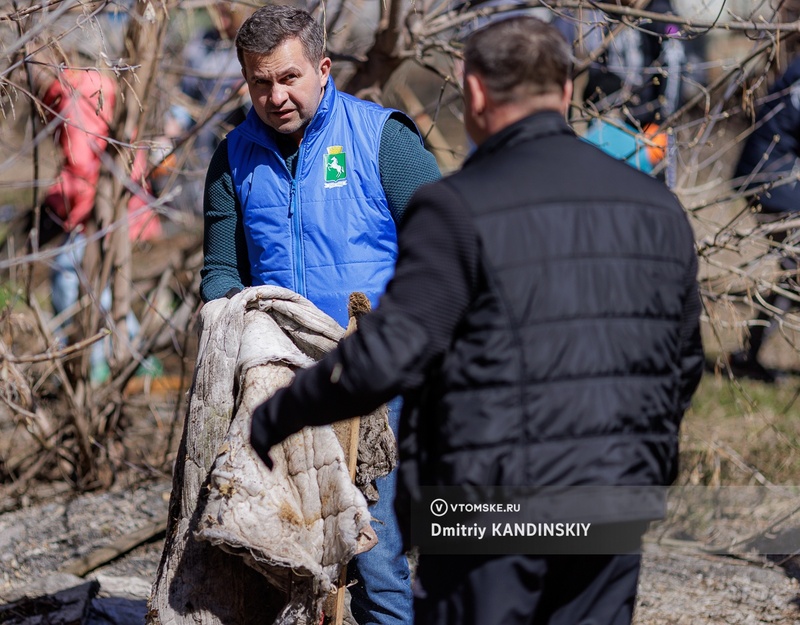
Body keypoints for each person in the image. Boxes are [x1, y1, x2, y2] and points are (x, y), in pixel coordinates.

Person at [248, 16, 703, 625]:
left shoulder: (458, 208)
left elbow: (393, 351)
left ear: (476, 92)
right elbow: (683, 359)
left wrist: (280, 412)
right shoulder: (656, 206)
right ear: (566, 92)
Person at [199, 5, 441, 624]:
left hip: (380, 383)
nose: (274, 95)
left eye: (289, 78)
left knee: (376, 558)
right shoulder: (233, 159)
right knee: (284, 556)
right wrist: (228, 330)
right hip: (282, 381)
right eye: (260, 83)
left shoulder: (382, 137)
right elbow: (223, 271)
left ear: (323, 68)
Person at [36, 53, 162, 383]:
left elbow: (79, 160)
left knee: (71, 275)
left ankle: (95, 362)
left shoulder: (73, 94)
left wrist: (62, 202)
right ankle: (132, 357)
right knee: (98, 283)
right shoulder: (97, 82)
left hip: (98, 203)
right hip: (119, 195)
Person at [729, 55, 800, 382]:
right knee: (795, 271)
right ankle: (747, 356)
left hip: (772, 174)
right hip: (773, 177)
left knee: (793, 273)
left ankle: (748, 355)